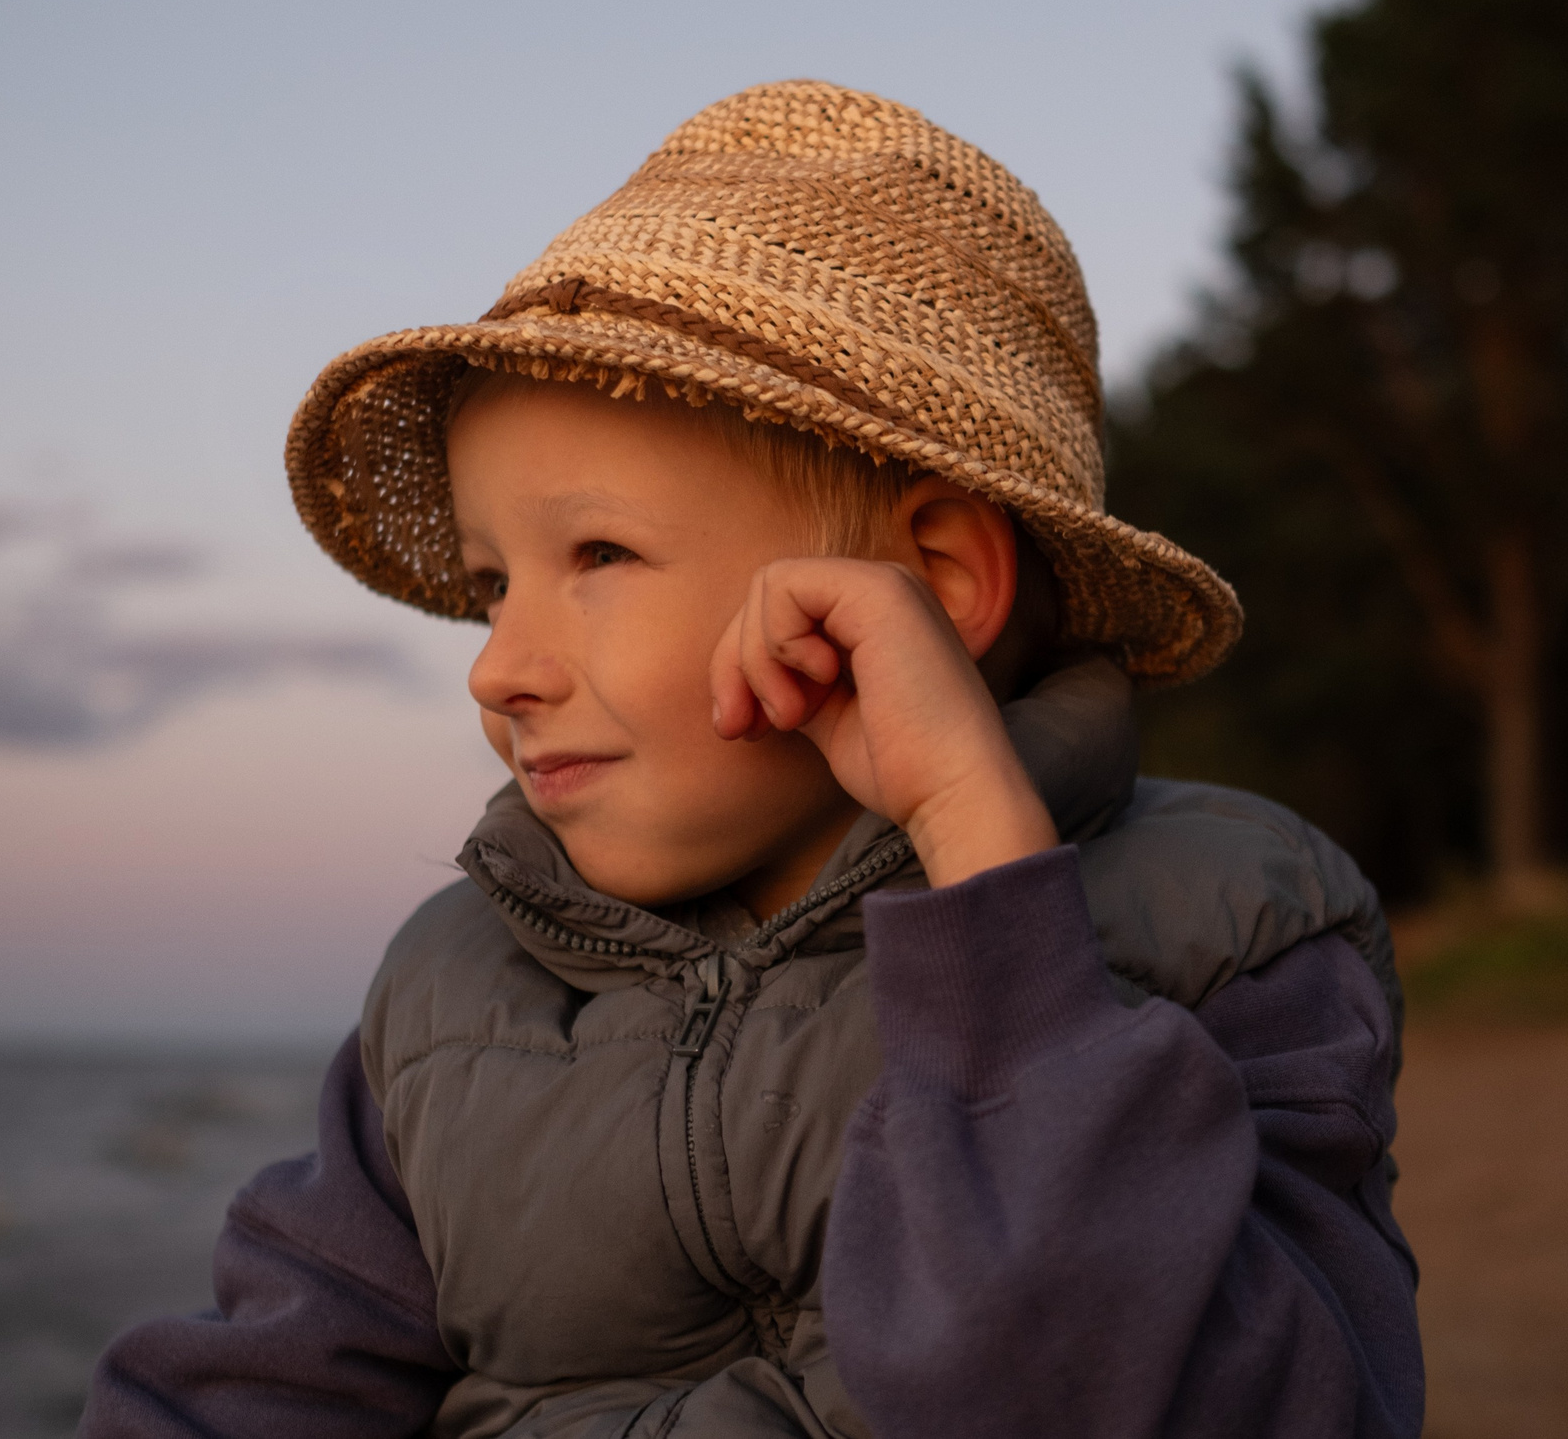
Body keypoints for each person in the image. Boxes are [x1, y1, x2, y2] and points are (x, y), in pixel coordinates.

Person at [79, 81, 1423, 1438]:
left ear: (935, 582)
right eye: (494, 585)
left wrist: (982, 868)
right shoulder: (452, 995)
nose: (498, 668)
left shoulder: (1231, 928)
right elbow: (252, 1397)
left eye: (598, 555)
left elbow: (1162, 1397)